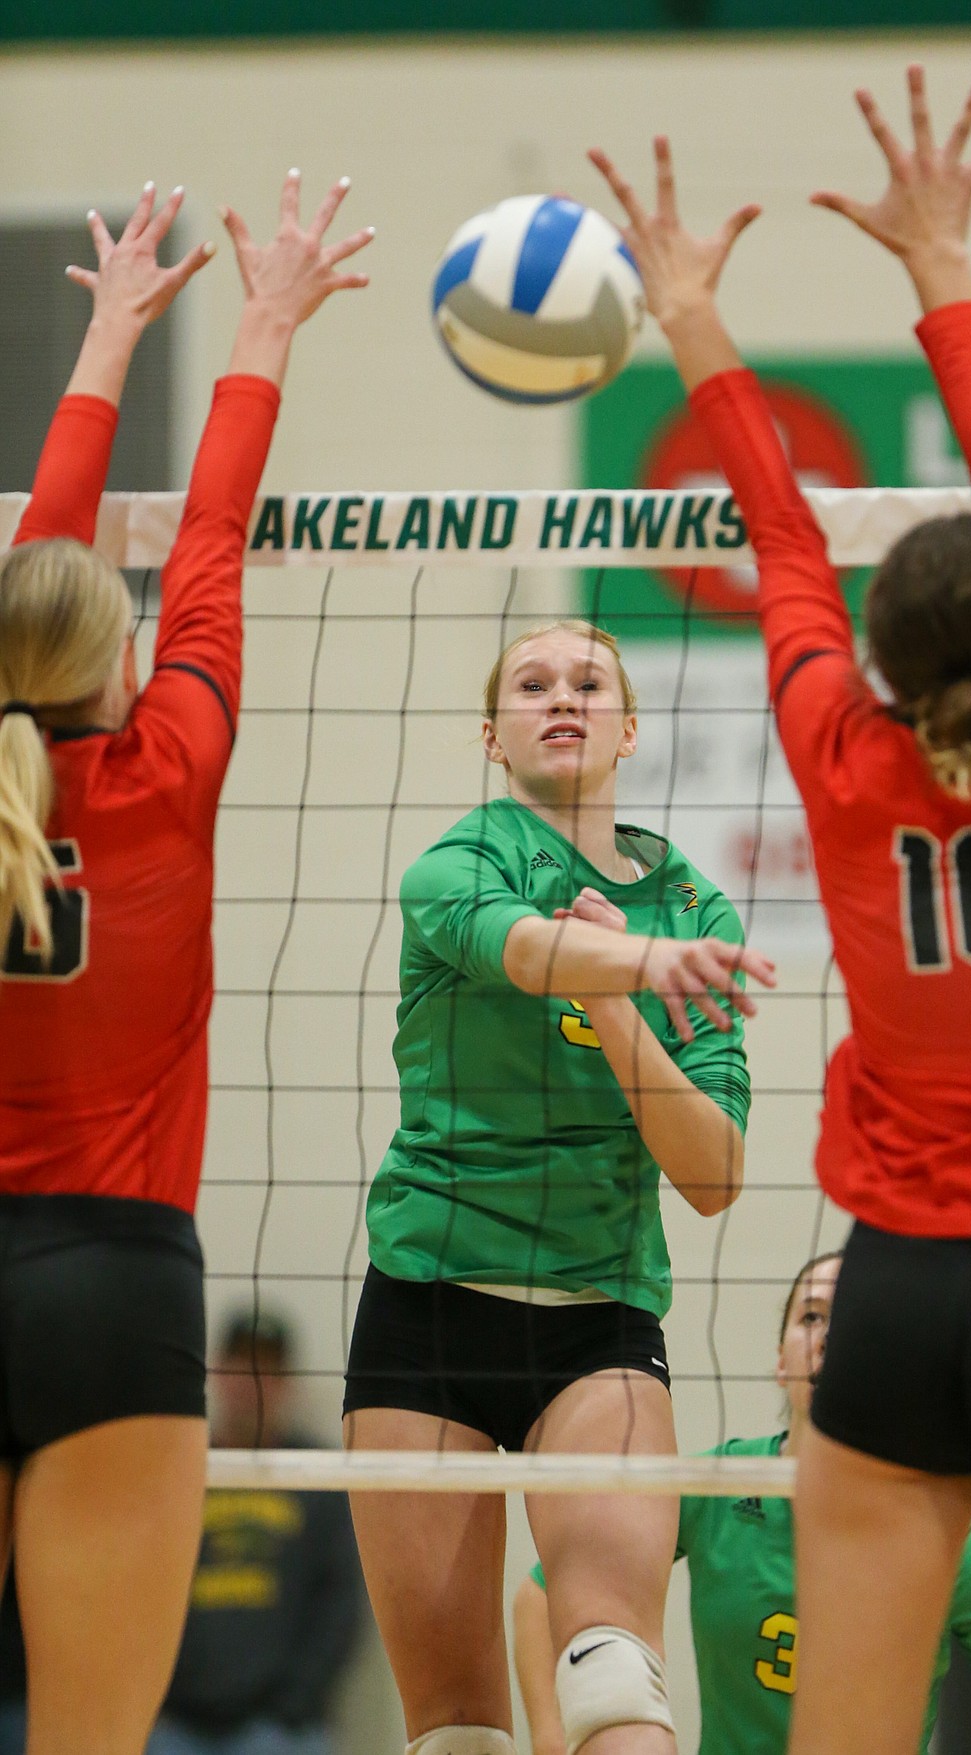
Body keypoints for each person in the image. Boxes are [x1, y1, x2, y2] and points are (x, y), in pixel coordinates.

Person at [589, 63, 971, 1755]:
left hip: (899, 1288)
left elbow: (778, 539)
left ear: (888, 670)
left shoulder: (843, 754)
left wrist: (690, 318)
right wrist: (944, 269)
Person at [0, 173, 372, 1755]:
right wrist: (260, 324)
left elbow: (37, 574)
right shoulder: (170, 768)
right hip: (113, 1285)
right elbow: (206, 534)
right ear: (122, 662)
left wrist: (102, 345)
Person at [343, 617, 776, 1755]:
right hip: (427, 1313)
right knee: (454, 1728)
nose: (561, 696)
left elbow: (716, 1175)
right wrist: (633, 960)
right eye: (531, 685)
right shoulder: (459, 865)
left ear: (630, 728)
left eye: (588, 680)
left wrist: (629, 997)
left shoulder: (694, 912)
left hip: (600, 1327)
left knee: (612, 1682)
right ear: (495, 735)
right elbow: (527, 952)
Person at [513, 1251, 971, 1755]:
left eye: (857, 1320)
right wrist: (552, 1737)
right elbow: (542, 1595)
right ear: (780, 1363)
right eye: (811, 1316)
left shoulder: (945, 1538)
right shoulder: (720, 1488)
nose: (831, 1337)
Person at [148, 1310, 364, 1755]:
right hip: (174, 1723)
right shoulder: (176, 1470)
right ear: (217, 1374)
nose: (251, 1382)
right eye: (241, 1366)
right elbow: (140, 1593)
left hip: (279, 1729)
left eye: (266, 1370)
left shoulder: (319, 1476)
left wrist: (292, 1708)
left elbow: (340, 1607)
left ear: (287, 1382)